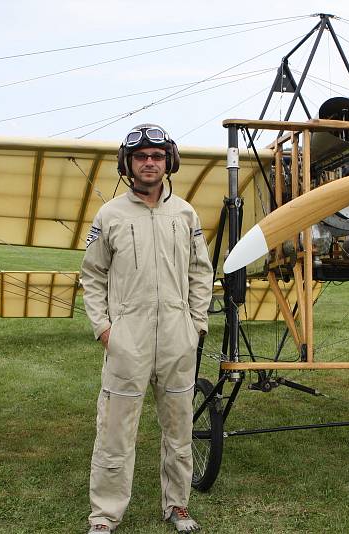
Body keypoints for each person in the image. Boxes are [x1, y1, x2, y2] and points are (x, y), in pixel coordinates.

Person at [81, 124, 213, 533]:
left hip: (177, 338)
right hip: (128, 341)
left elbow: (200, 271)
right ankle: (104, 515)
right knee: (115, 432)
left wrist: (195, 324)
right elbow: (93, 275)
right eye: (141, 157)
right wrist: (106, 329)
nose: (150, 163)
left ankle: (177, 505)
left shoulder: (185, 213)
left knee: (179, 428)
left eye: (157, 156)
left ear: (168, 161)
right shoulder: (110, 215)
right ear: (128, 164)